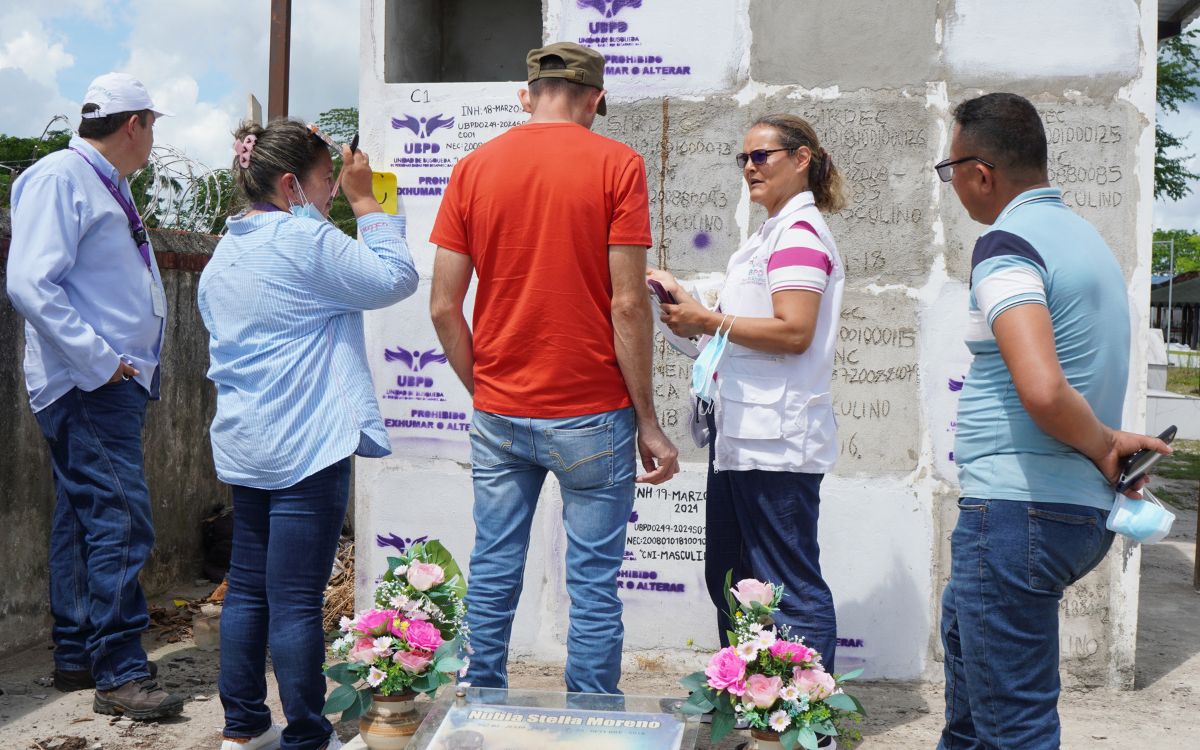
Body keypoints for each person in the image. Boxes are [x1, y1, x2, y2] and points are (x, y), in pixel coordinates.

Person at [429, 41, 679, 695]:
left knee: (493, 567)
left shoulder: (473, 169)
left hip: (501, 411)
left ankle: (478, 701)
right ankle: (593, 718)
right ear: (595, 99)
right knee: (593, 585)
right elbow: (628, 303)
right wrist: (648, 422)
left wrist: (483, 387)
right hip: (593, 411)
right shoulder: (618, 164)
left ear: (526, 95)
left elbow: (442, 307)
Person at [936, 92, 1171, 750]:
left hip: (1017, 513)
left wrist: (1105, 445)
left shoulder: (1008, 243)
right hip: (1061, 513)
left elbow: (1041, 389)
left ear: (980, 172)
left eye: (947, 168)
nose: (950, 183)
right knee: (971, 717)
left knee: (1014, 730)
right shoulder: (1085, 241)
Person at [199, 119, 417, 750]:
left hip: (247, 443)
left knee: (247, 593)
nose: (331, 193)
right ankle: (306, 736)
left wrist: (331, 205)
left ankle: (243, 730)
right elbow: (394, 278)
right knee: (295, 601)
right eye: (326, 181)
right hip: (307, 444)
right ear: (292, 184)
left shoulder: (227, 249)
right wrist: (366, 201)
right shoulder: (305, 241)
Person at [6, 72, 183, 720]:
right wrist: (102, 361)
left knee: (83, 519)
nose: (154, 138)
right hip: (89, 385)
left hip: (100, 384)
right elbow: (29, 282)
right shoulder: (63, 177)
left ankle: (79, 654)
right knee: (121, 521)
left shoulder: (102, 181)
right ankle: (121, 673)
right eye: (153, 125)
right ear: (133, 123)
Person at [651, 114, 846, 671]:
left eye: (762, 156)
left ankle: (809, 721)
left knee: (789, 584)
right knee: (733, 578)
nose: (750, 168)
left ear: (802, 158)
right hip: (742, 436)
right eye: (744, 159)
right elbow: (737, 331)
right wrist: (685, 306)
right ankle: (754, 705)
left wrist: (708, 318)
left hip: (778, 442)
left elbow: (793, 331)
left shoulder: (800, 236)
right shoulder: (768, 234)